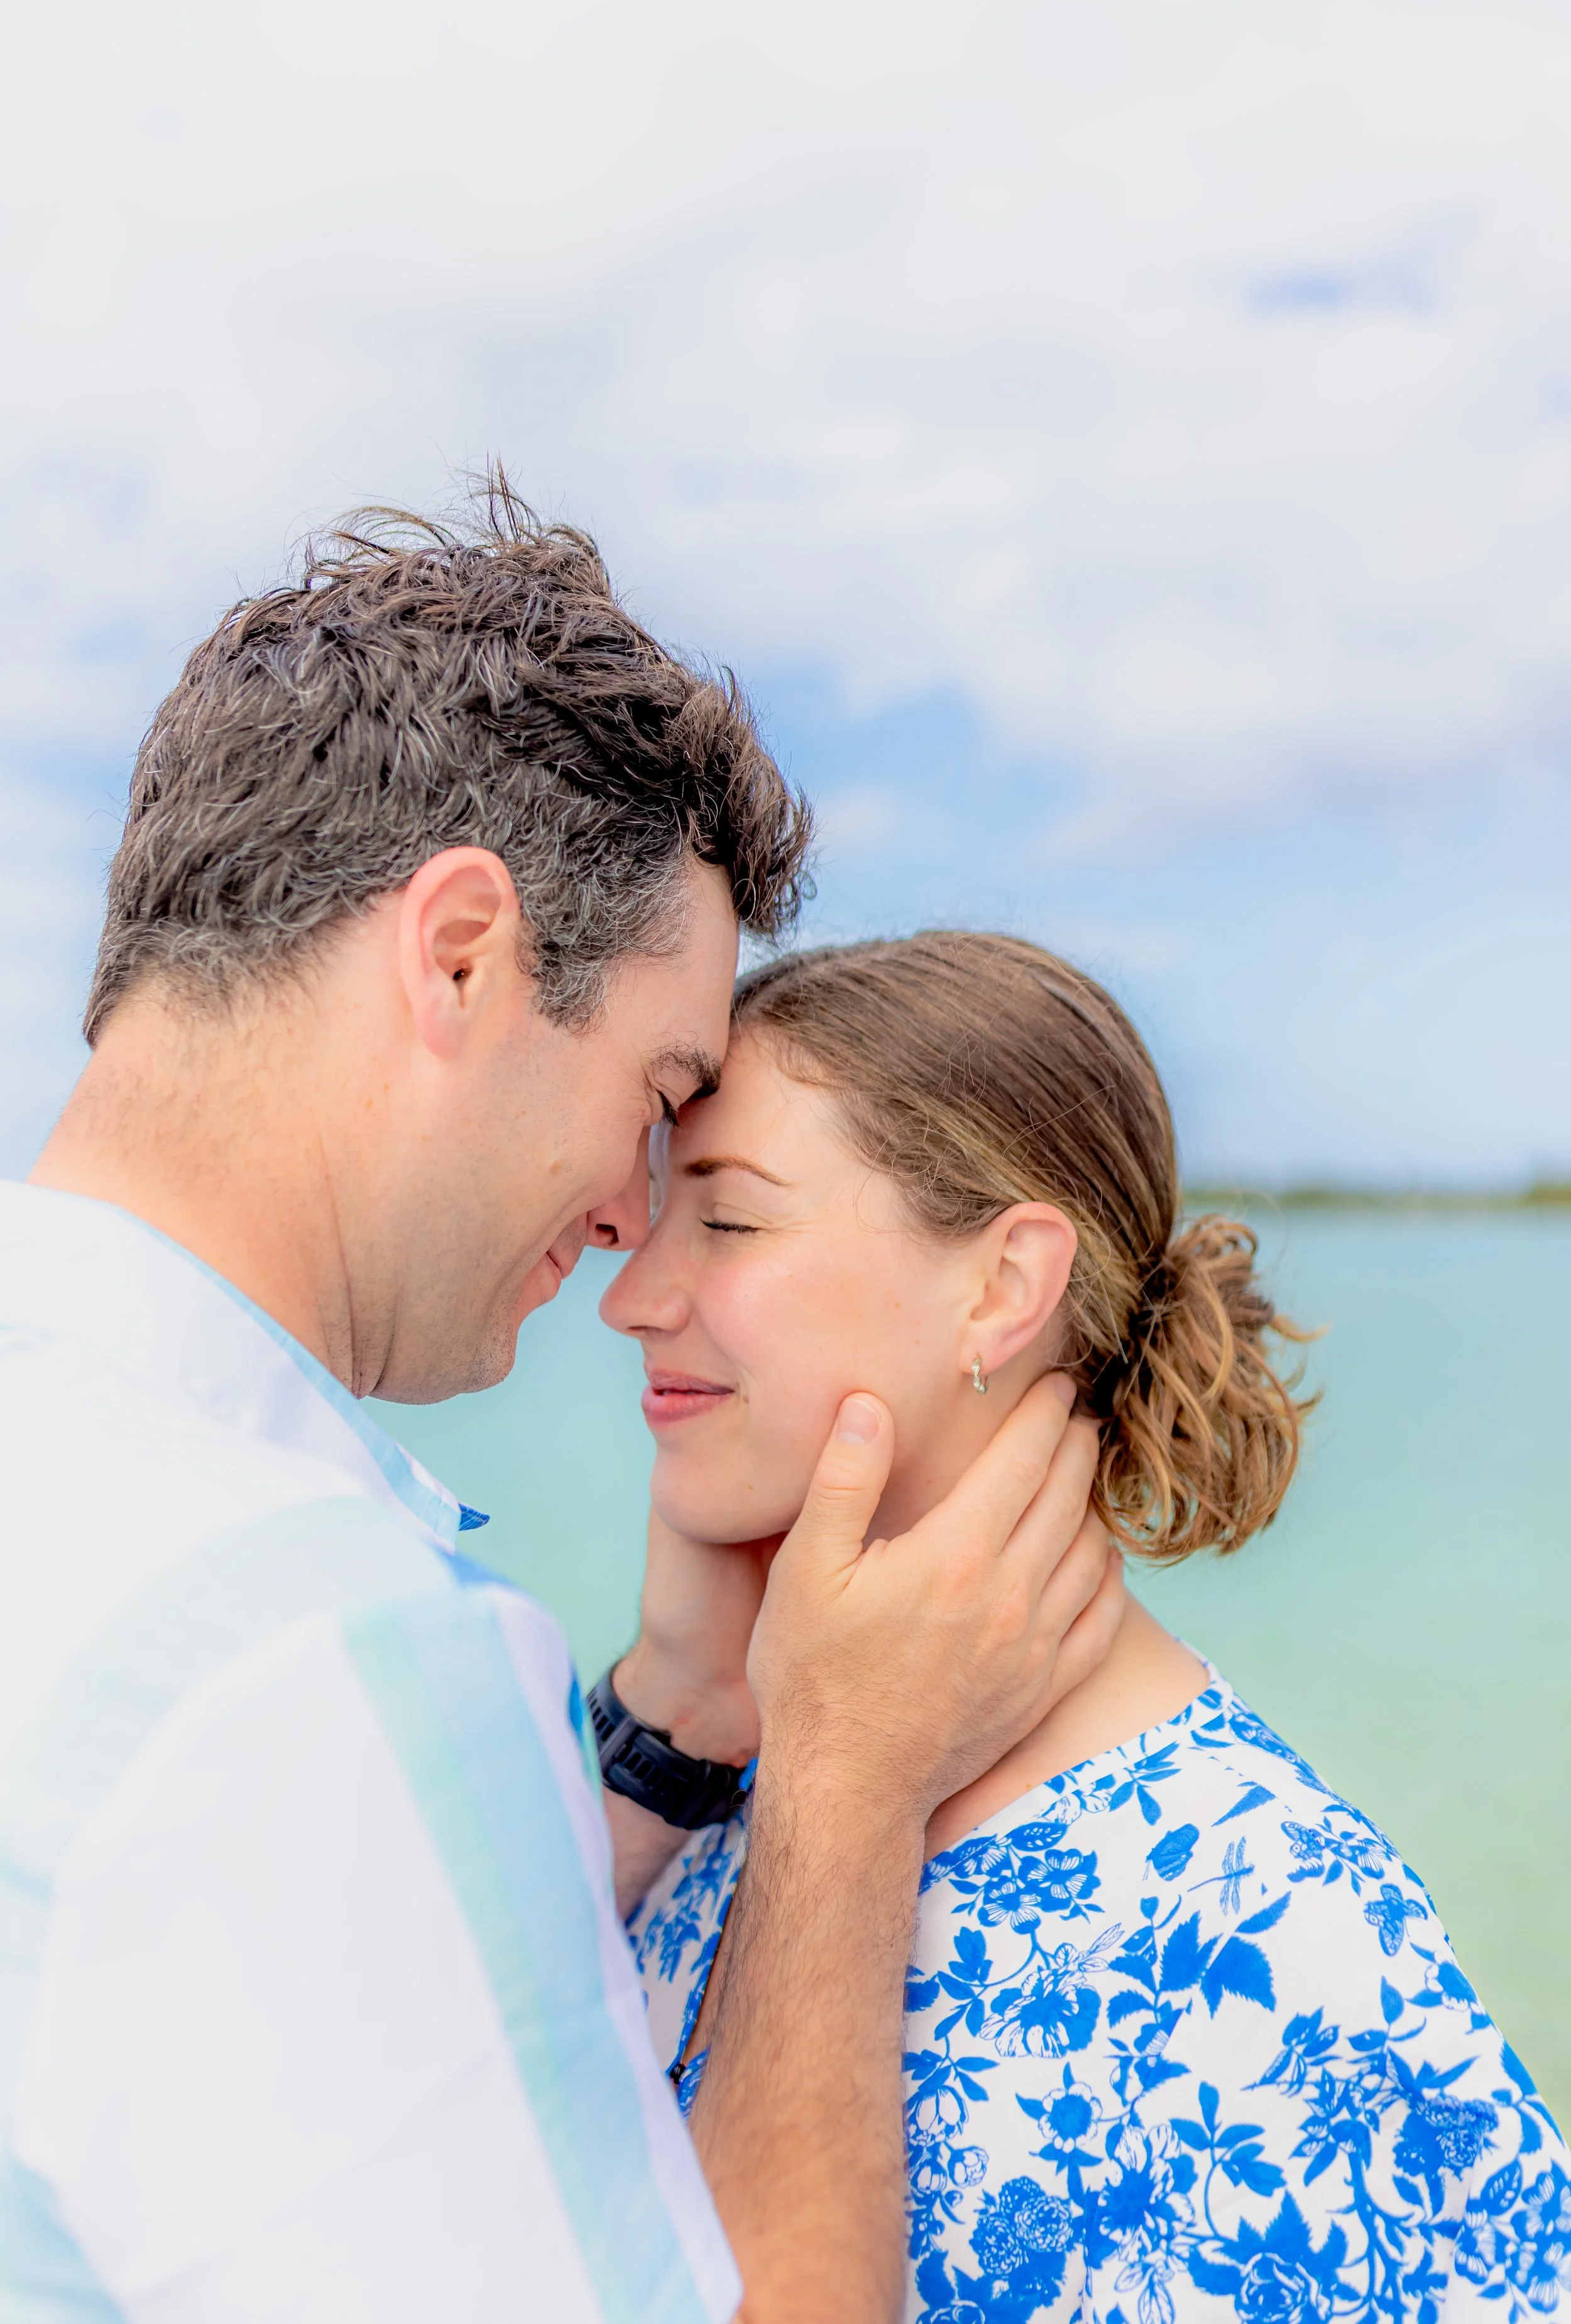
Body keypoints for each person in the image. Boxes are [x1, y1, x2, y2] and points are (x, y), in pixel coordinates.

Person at [0, 494, 1122, 2323]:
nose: (626, 1227)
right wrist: (840, 1790)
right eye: (657, 1086)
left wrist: (674, 1727)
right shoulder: (307, 1645)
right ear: (456, 955)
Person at [608, 929, 1570, 2324]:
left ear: (1002, 1287)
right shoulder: (729, 1770)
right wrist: (674, 1717)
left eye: (729, 1219)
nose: (629, 1297)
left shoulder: (1278, 1934)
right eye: (646, 1215)